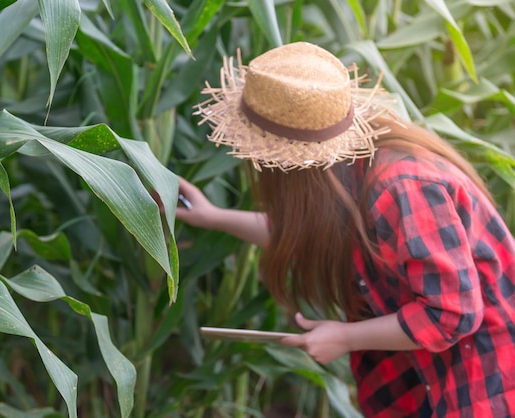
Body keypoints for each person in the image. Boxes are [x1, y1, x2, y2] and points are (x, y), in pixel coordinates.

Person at [174, 42, 515, 417]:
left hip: (487, 378)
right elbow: (313, 233)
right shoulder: (349, 169)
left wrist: (345, 337)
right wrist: (212, 216)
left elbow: (451, 315)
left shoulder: (402, 186)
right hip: (433, 375)